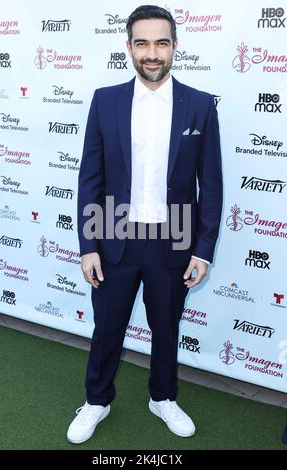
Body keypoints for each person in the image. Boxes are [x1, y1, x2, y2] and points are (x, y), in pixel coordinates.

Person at [67, 4, 223, 444]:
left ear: (175, 45)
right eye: (142, 43)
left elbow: (210, 185)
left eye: (160, 42)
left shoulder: (200, 105)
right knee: (108, 327)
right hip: (115, 234)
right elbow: (90, 178)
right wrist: (88, 245)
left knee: (167, 327)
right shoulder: (105, 100)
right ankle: (97, 400)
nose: (151, 53)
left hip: (174, 236)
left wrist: (203, 249)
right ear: (129, 47)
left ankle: (163, 397)